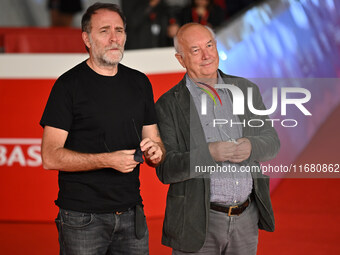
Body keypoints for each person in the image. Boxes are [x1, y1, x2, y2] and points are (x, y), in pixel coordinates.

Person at [40, 3, 165, 255]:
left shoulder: (140, 82)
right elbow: (50, 156)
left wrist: (156, 152)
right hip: (82, 218)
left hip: (132, 213)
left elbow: (155, 142)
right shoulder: (67, 86)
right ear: (86, 38)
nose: (114, 38)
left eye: (119, 30)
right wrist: (109, 160)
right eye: (104, 31)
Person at [155, 23, 280, 254]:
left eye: (209, 45)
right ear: (181, 59)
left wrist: (252, 146)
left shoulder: (245, 89)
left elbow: (272, 141)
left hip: (246, 219)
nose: (206, 55)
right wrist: (210, 153)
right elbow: (166, 169)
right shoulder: (168, 105)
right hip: (197, 221)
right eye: (195, 50)